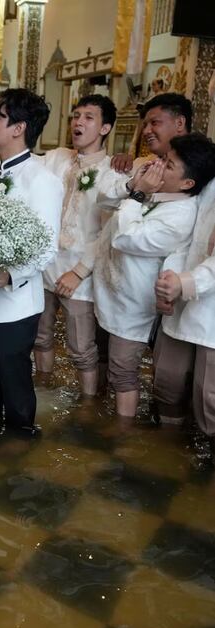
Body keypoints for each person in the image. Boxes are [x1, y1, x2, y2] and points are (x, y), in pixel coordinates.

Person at [92, 133, 212, 418]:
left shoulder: (180, 216)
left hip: (133, 307)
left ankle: (123, 436)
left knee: (123, 372)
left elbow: (125, 237)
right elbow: (104, 199)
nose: (157, 165)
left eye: (168, 164)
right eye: (162, 158)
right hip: (110, 292)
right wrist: (135, 186)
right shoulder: (158, 192)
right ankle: (97, 416)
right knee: (104, 361)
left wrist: (138, 195)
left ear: (188, 184)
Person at [0, 89, 63, 437]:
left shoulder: (43, 180)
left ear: (18, 128)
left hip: (16, 302)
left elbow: (47, 247)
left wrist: (10, 273)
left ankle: (21, 449)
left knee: (15, 387)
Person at [34, 95, 128, 396]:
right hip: (45, 264)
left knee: (81, 347)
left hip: (80, 273)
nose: (78, 122)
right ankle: (44, 392)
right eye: (76, 115)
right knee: (40, 336)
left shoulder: (113, 172)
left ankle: (88, 408)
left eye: (89, 117)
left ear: (105, 128)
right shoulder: (57, 158)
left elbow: (107, 231)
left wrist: (79, 271)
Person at [152, 137, 215, 433]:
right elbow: (187, 237)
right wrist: (169, 279)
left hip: (209, 309)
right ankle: (166, 458)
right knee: (167, 381)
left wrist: (185, 283)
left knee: (208, 399)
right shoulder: (207, 177)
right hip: (181, 299)